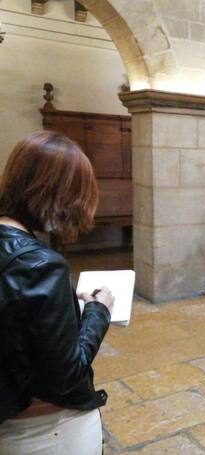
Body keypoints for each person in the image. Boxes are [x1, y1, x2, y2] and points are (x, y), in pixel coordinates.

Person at [0, 132, 114, 455]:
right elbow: (67, 374)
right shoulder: (40, 265)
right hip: (48, 431)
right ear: (61, 195)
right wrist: (98, 312)